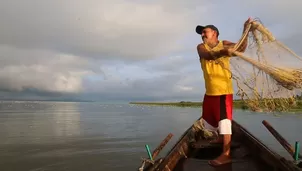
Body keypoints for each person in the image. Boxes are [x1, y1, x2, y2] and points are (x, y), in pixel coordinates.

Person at [196, 17, 252, 166]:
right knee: (209, 119)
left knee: (225, 121)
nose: (202, 35)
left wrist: (246, 30)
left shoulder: (224, 43)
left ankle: (226, 154)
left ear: (214, 33)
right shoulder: (201, 47)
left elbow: (241, 48)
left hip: (223, 91)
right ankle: (221, 138)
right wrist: (223, 52)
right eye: (201, 33)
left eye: (204, 32)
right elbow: (206, 55)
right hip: (210, 91)